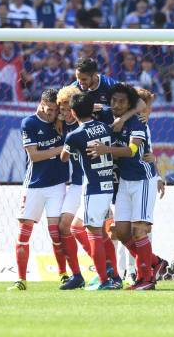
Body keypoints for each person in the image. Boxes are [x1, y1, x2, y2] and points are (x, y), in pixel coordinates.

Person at [87, 83, 164, 290]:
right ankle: (154, 262)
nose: (116, 105)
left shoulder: (137, 122)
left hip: (142, 180)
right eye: (113, 100)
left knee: (139, 230)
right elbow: (85, 108)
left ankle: (145, 278)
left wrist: (105, 149)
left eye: (121, 101)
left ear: (129, 104)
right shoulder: (105, 115)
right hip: (124, 182)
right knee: (120, 232)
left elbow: (131, 150)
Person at [7, 89, 70, 292]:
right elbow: (34, 156)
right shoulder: (29, 123)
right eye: (48, 109)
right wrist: (62, 149)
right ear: (41, 104)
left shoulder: (63, 121)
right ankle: (21, 279)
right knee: (24, 232)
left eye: (55, 109)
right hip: (34, 185)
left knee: (56, 232)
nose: (52, 113)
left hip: (57, 184)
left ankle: (63, 275)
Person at [61, 92, 121, 290]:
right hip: (106, 185)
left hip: (93, 188)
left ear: (73, 112)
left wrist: (72, 147)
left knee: (94, 232)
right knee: (77, 228)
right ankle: (114, 275)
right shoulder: (104, 127)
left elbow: (63, 157)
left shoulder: (74, 135)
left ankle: (104, 280)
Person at [56, 85, 88, 290]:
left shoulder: (89, 123)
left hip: (93, 183)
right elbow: (44, 108)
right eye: (62, 109)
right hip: (77, 183)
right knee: (63, 226)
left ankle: (108, 270)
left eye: (68, 109)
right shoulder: (61, 124)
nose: (65, 113)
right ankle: (77, 275)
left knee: (99, 230)